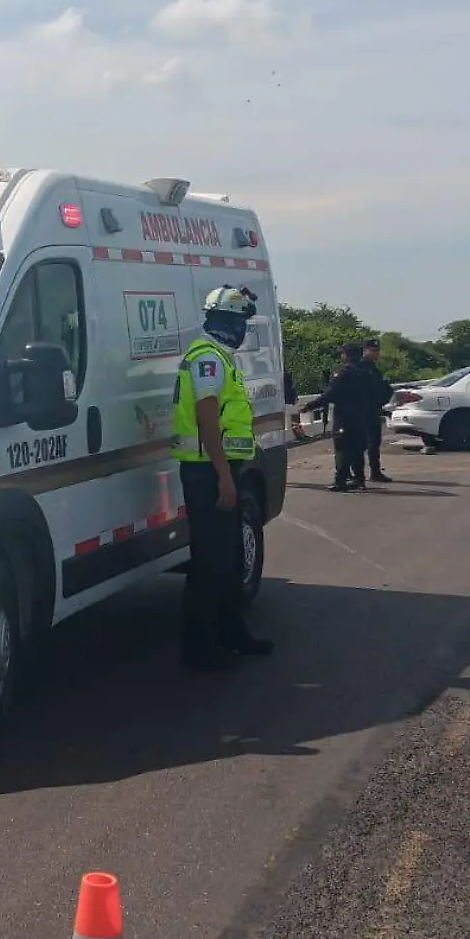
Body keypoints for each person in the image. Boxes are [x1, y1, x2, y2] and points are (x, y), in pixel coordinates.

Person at [171, 285, 276, 671]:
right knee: (209, 562)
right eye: (239, 321)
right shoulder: (207, 359)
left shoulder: (220, 356)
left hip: (220, 466)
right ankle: (198, 649)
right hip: (207, 470)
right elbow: (207, 418)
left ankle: (233, 634)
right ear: (225, 322)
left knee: (230, 558)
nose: (242, 329)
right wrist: (224, 479)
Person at [308, 344, 377, 492]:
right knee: (357, 449)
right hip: (362, 416)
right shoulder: (368, 372)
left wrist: (309, 406)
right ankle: (359, 479)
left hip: (345, 417)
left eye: (343, 354)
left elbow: (330, 394)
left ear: (347, 356)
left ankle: (340, 481)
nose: (341, 357)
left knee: (342, 449)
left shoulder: (343, 373)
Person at [358, 338, 395, 483]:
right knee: (361, 444)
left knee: (374, 443)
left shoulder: (373, 368)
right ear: (365, 350)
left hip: (374, 409)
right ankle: (356, 474)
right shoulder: (359, 367)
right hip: (361, 411)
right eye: (373, 350)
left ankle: (375, 471)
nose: (376, 353)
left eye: (377, 351)